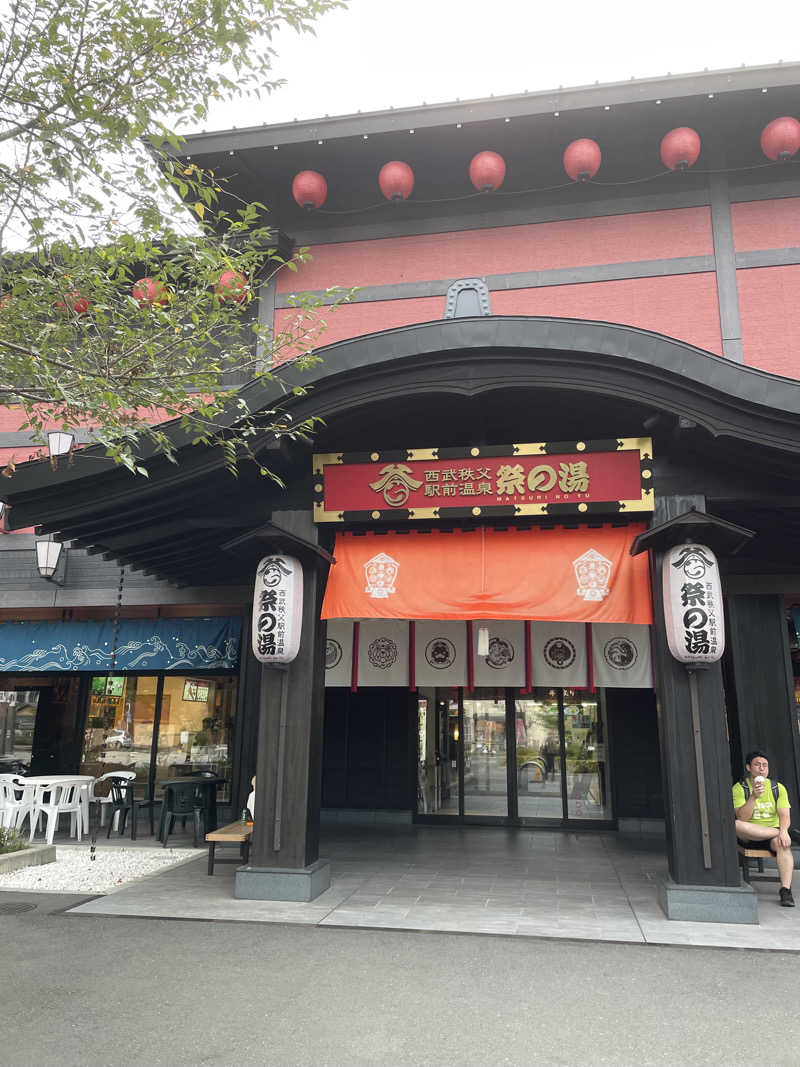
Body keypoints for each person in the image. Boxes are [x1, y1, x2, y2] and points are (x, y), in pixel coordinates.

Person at [733, 750, 795, 907]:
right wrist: (753, 796)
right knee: (736, 825)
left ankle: (786, 890)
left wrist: (782, 831)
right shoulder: (740, 788)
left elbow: (784, 815)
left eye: (765, 765)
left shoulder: (777, 788)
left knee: (783, 844)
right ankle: (785, 834)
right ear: (748, 767)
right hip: (750, 835)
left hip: (772, 835)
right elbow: (742, 818)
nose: (762, 768)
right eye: (757, 765)